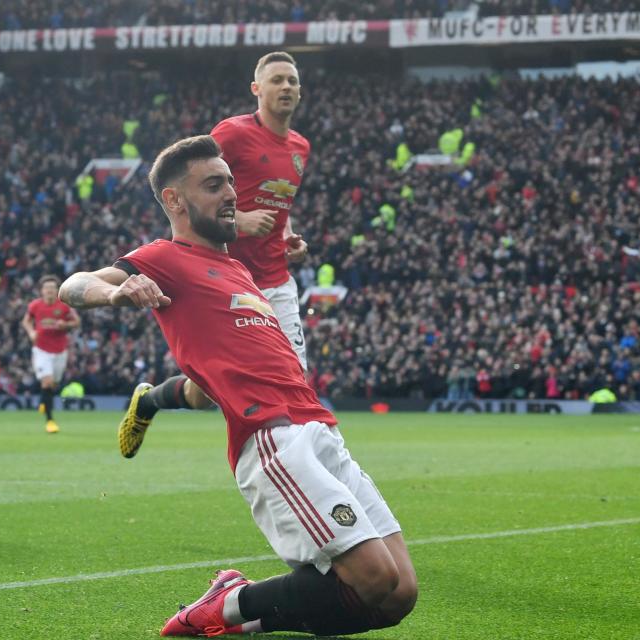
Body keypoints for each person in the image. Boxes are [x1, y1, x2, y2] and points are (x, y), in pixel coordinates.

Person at [59, 135, 416, 636]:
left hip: (320, 428)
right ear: (175, 201)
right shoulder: (163, 256)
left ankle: (239, 618)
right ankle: (225, 607)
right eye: (213, 184)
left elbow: (208, 385)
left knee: (399, 596)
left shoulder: (237, 269)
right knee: (372, 578)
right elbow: (71, 285)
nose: (230, 193)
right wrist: (115, 292)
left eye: (230, 181)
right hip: (272, 436)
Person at [118, 51, 311, 458]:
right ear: (256, 90)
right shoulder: (235, 134)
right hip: (224, 278)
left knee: (294, 381)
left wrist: (288, 236)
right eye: (277, 80)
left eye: (292, 80)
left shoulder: (299, 147)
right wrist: (238, 220)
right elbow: (193, 181)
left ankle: (296, 476)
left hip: (275, 281)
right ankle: (152, 402)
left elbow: (280, 205)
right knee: (209, 391)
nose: (286, 87)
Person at [21, 275, 80, 433]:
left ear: (57, 290)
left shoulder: (64, 306)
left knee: (53, 384)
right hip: (41, 350)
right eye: (47, 288)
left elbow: (76, 322)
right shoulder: (35, 306)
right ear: (42, 291)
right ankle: (50, 421)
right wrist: (31, 332)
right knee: (46, 383)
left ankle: (43, 402)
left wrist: (65, 324)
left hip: (60, 350)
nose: (49, 291)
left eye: (52, 288)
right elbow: (26, 321)